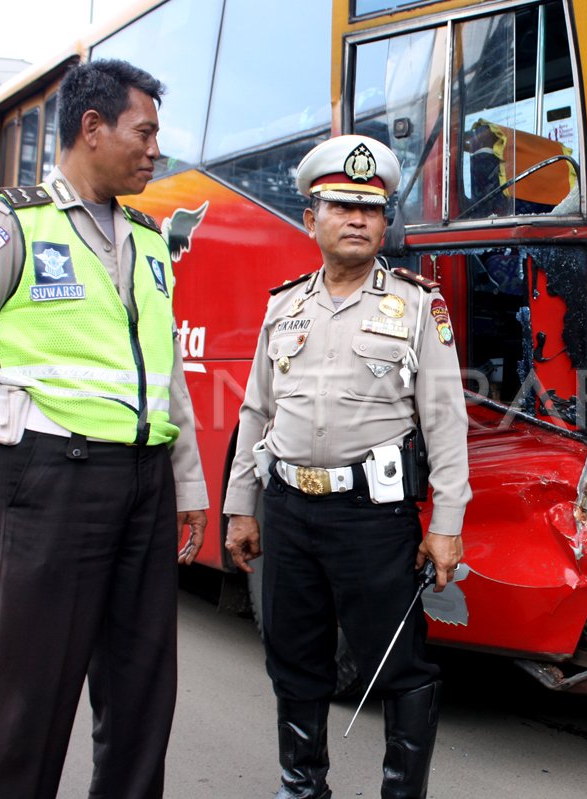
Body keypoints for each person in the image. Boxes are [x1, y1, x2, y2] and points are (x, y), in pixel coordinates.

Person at [0, 59, 208, 799]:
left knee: (141, 702)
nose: (155, 150)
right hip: (48, 481)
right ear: (92, 127)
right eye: (144, 132)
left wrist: (187, 482)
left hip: (142, 486)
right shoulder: (8, 223)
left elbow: (166, 374)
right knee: (24, 705)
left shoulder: (146, 240)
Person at [223, 134, 470, 799]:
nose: (358, 219)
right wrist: (241, 508)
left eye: (371, 207)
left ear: (386, 222)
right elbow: (255, 411)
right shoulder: (285, 307)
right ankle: (301, 787)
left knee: (399, 665)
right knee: (294, 659)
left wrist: (446, 522)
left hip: (373, 516)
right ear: (311, 219)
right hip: (290, 512)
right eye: (341, 205)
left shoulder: (418, 306)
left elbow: (446, 419)